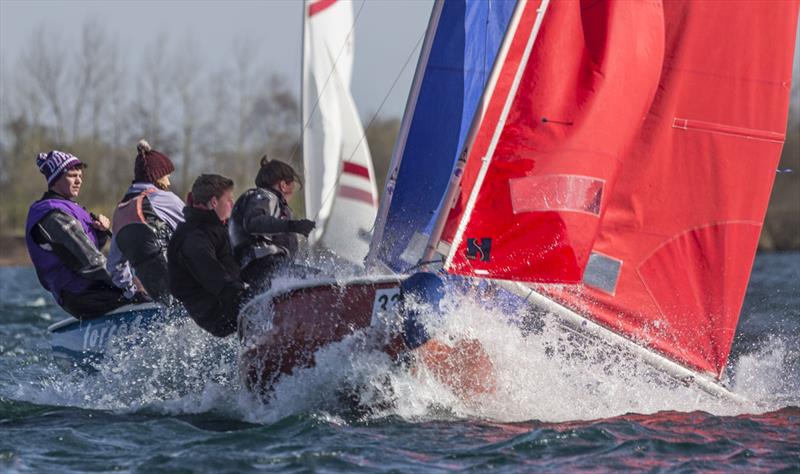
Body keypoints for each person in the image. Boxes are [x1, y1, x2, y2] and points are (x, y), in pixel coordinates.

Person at [25, 150, 146, 319]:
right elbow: (90, 261)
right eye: (72, 176)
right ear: (56, 179)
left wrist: (99, 234)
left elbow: (83, 250)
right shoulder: (55, 215)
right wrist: (131, 287)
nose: (78, 181)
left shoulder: (65, 208)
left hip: (88, 290)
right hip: (82, 294)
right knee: (146, 291)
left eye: (80, 176)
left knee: (146, 286)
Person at [167, 174, 246, 337]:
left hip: (235, 304)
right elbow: (212, 273)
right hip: (221, 314)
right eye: (228, 200)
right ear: (214, 202)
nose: (232, 204)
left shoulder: (214, 227)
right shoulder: (193, 237)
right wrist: (245, 296)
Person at [107, 140, 185, 304]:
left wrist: (133, 293)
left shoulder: (120, 211)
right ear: (156, 177)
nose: (168, 183)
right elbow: (197, 231)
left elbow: (115, 266)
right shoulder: (165, 199)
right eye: (166, 176)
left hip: (155, 293)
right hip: (182, 285)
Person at [229, 157, 315, 289]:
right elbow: (254, 223)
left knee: (316, 276)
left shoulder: (263, 201)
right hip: (264, 267)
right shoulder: (265, 196)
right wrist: (293, 226)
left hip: (263, 271)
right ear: (283, 185)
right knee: (326, 280)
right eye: (292, 186)